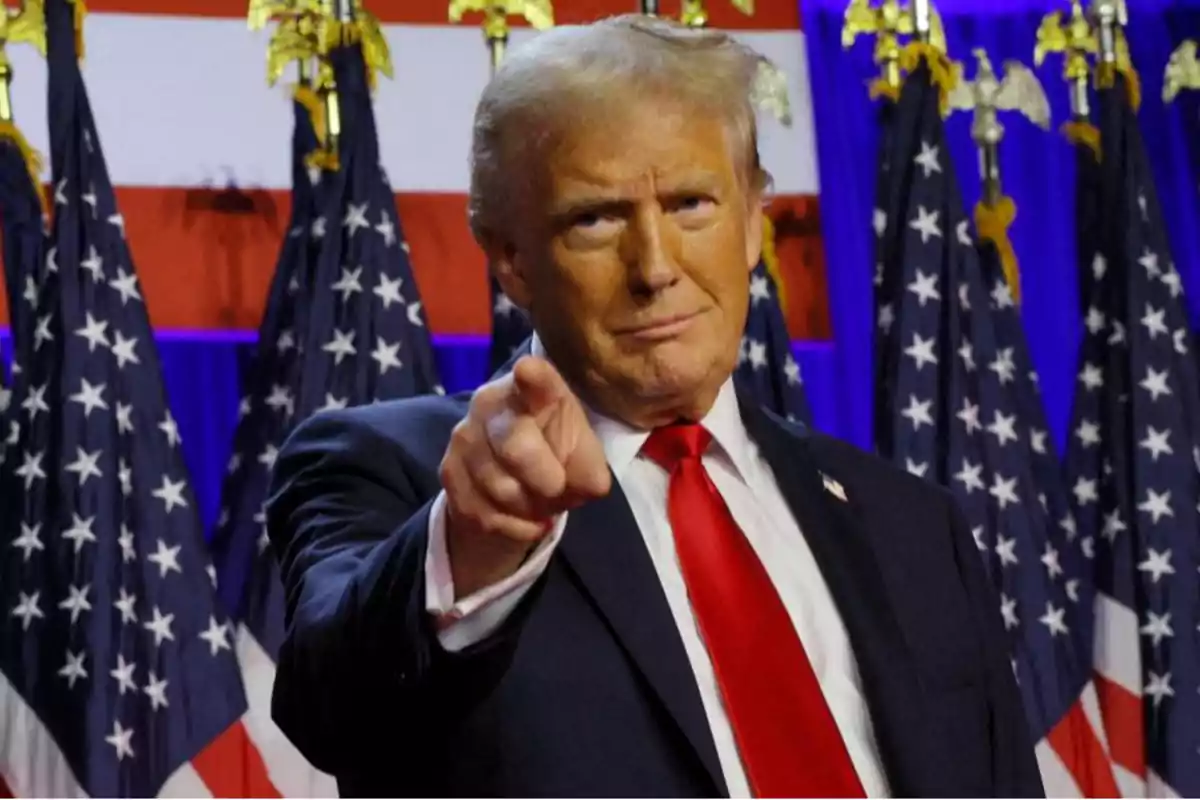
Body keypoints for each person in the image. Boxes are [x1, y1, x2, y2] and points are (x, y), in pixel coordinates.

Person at [265, 14, 1043, 799]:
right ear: (512, 261)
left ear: (751, 223)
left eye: (691, 204)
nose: (656, 266)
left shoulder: (912, 525)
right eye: (596, 219)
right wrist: (472, 547)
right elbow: (330, 710)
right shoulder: (400, 474)